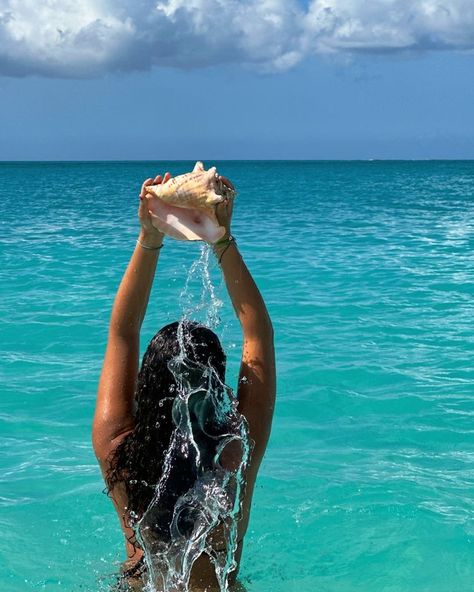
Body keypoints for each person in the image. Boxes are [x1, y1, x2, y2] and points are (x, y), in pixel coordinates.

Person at [92, 171, 276, 591]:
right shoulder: (236, 455)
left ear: (144, 384)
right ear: (216, 385)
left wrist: (149, 235)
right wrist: (222, 239)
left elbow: (122, 332)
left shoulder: (118, 449)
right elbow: (258, 336)